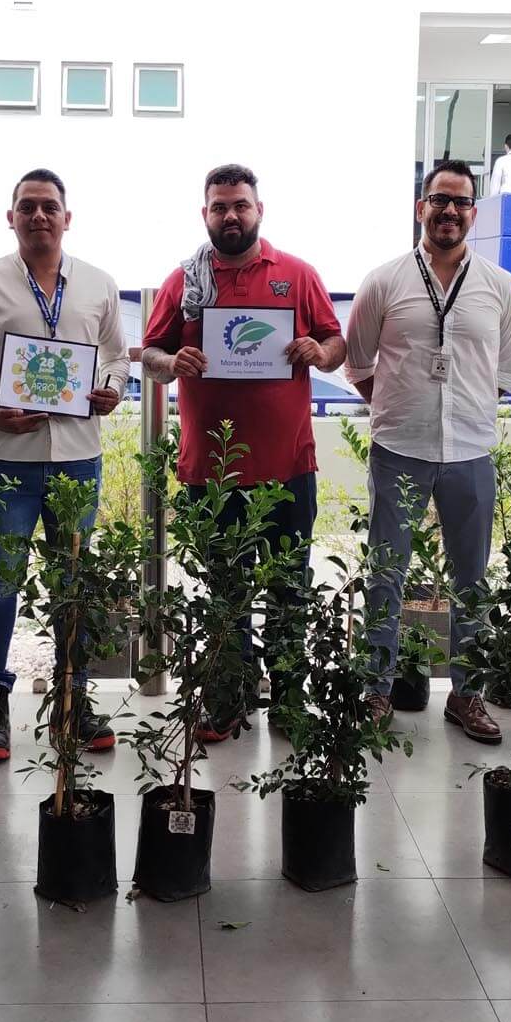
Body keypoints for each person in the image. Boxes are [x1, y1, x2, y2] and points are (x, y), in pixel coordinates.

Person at [141, 162, 346, 737]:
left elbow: (337, 341)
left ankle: (286, 701)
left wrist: (317, 351)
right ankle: (228, 699)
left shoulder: (297, 275)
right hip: (212, 471)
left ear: (259, 210)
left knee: (288, 587)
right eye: (219, 206)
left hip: (287, 466)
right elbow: (150, 357)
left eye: (240, 205)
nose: (230, 215)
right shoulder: (184, 282)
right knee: (224, 590)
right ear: (204, 213)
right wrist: (170, 362)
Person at [0, 168, 131, 767]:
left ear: (67, 218)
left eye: (50, 206)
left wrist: (111, 389)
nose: (39, 216)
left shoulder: (97, 283)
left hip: (79, 456)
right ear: (12, 217)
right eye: (28, 206)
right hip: (10, 461)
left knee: (74, 583)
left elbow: (119, 360)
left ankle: (74, 699)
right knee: (2, 584)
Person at [345, 158, 511, 743]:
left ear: (474, 212)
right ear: (421, 207)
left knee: (471, 577)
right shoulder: (385, 280)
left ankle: (467, 696)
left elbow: (502, 374)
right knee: (386, 573)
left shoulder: (500, 287)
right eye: (439, 199)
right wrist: (401, 407)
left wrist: (459, 406)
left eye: (461, 202)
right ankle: (376, 688)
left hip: (471, 449)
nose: (449, 211)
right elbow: (359, 363)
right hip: (399, 448)